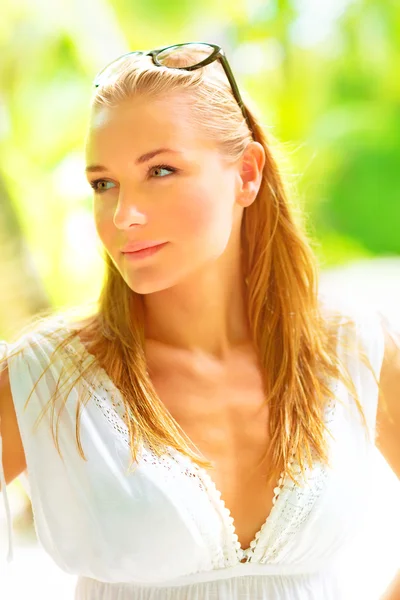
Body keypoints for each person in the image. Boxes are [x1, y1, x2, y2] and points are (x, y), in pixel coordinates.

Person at [0, 42, 399, 600]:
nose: (123, 215)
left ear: (246, 174)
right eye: (102, 183)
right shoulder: (48, 377)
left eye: (160, 171)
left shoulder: (352, 350)